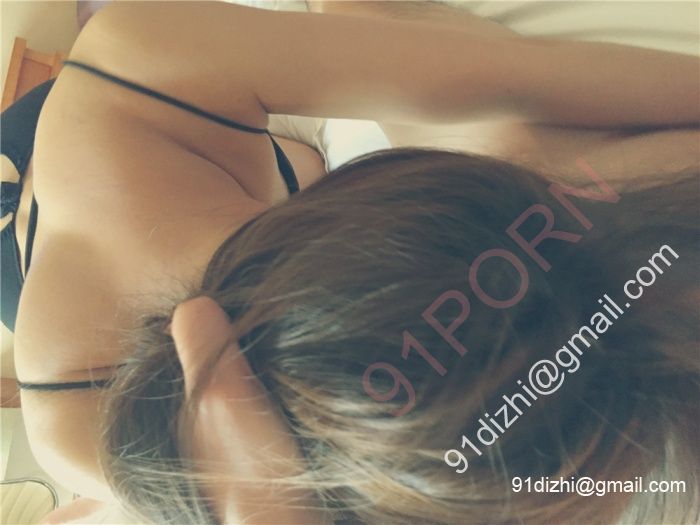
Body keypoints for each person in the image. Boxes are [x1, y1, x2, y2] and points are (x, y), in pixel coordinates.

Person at [5, 2, 698, 524]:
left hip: (111, 136)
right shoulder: (96, 445)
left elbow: (535, 78)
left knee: (527, 142)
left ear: (374, 182)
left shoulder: (140, 74)